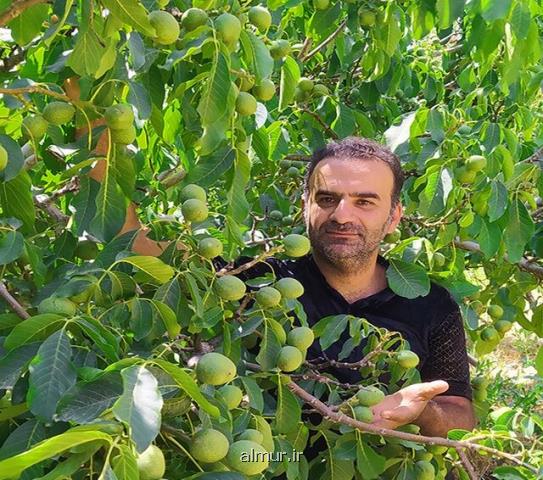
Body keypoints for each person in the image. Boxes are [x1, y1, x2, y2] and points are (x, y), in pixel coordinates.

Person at [227, 137, 476, 438]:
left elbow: (461, 416)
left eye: (365, 202)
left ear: (393, 217)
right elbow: (168, 258)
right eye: (327, 199)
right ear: (305, 206)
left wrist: (422, 411)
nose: (342, 216)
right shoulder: (257, 281)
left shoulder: (431, 304)